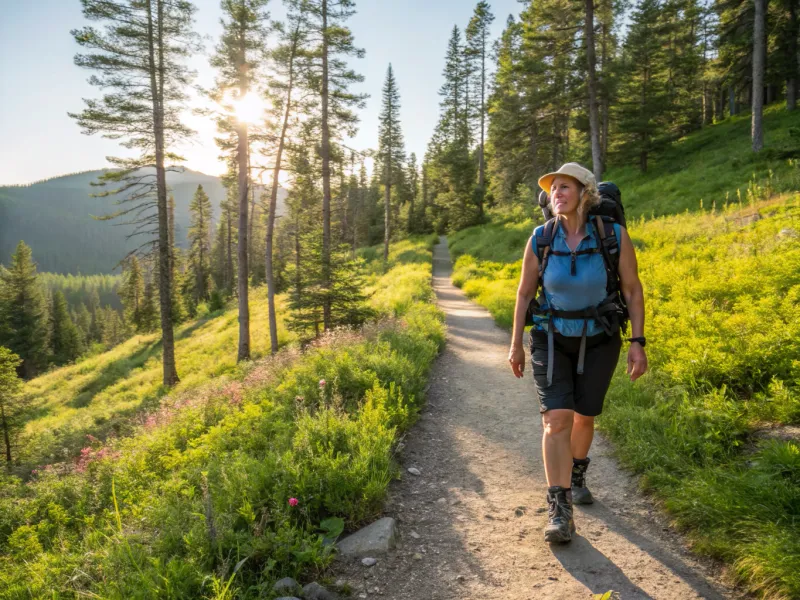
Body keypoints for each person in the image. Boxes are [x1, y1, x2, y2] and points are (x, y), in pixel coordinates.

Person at [507, 162, 648, 543]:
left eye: (565, 187)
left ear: (585, 193)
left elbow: (633, 291)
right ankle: (560, 508)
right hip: (552, 339)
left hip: (600, 338)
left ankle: (578, 472)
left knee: (585, 416)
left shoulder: (613, 236)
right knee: (556, 419)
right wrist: (516, 343)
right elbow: (523, 293)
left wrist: (638, 343)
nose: (557, 194)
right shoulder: (541, 238)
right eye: (553, 189)